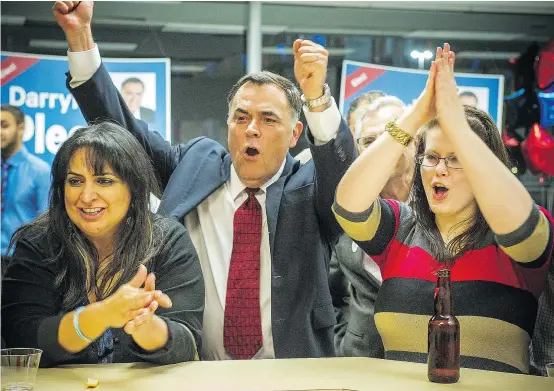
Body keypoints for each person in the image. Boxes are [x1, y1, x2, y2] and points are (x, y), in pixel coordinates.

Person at [54, 1, 356, 360]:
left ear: (295, 134)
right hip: (191, 366)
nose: (252, 130)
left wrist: (317, 98)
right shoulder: (195, 166)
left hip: (291, 370)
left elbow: (346, 185)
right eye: (241, 117)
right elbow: (123, 132)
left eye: (268, 119)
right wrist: (80, 38)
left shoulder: (308, 186)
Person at [333, 44, 554, 374]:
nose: (440, 169)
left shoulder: (513, 232)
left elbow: (522, 227)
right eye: (432, 157)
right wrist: (417, 114)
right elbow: (348, 206)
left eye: (457, 159)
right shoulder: (400, 228)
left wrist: (459, 127)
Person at [1, 122, 204, 367]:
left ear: (134, 187)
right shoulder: (38, 243)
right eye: (75, 181)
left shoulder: (167, 239)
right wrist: (101, 315)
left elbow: (187, 343)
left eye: (104, 181)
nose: (86, 196)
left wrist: (144, 325)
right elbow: (21, 338)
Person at [334, 95, 412, 358]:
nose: (381, 149)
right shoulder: (347, 210)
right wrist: (342, 340)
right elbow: (332, 294)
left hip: (420, 365)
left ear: (416, 142)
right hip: (357, 365)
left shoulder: (440, 207)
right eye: (369, 141)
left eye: (391, 137)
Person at [1, 105, 50, 255]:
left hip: (19, 260)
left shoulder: (40, 171)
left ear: (21, 128)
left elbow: (47, 226)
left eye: (4, 125)